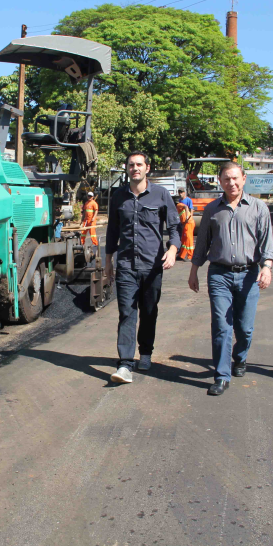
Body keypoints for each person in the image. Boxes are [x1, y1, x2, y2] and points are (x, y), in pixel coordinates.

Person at [188, 162, 273, 396]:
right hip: (219, 274)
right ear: (220, 181)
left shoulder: (258, 208)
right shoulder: (211, 210)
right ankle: (221, 376)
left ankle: (240, 357)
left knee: (244, 328)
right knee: (221, 326)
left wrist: (266, 268)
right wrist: (194, 271)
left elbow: (267, 244)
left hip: (249, 275)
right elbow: (202, 244)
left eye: (235, 178)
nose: (231, 183)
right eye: (226, 179)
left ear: (244, 179)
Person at [105, 151, 181, 384]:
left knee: (149, 312)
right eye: (131, 165)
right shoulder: (118, 196)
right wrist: (108, 260)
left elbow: (175, 227)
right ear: (127, 169)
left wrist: (172, 250)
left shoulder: (161, 194)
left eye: (139, 164)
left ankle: (145, 352)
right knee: (127, 313)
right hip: (126, 264)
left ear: (147, 168)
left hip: (152, 265)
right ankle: (126, 364)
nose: (134, 168)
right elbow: (112, 231)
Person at [176, 198, 195, 262]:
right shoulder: (178, 206)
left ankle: (190, 256)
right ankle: (181, 255)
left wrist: (187, 217)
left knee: (188, 240)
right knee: (184, 240)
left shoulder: (178, 205)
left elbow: (186, 207)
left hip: (188, 223)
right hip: (185, 224)